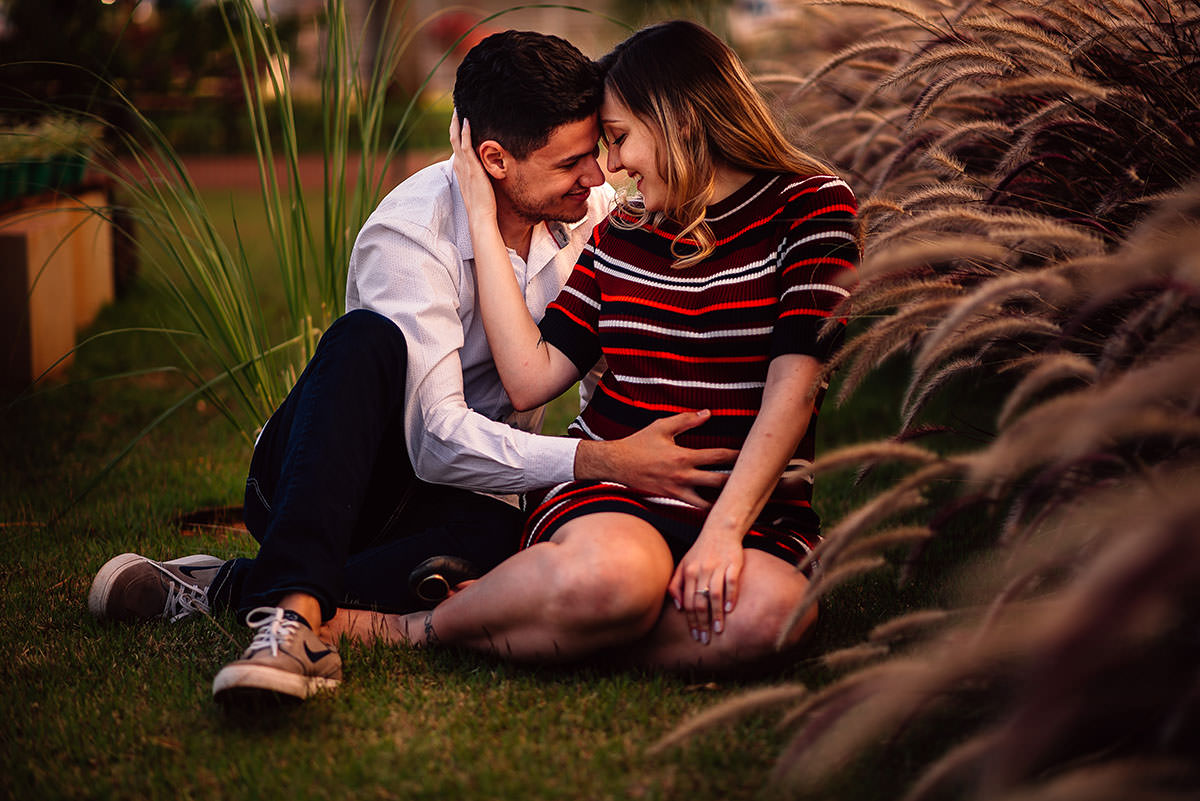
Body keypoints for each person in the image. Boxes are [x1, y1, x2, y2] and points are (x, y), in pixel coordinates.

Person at [87, 30, 738, 703]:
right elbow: (434, 440)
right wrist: (603, 463)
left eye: (596, 153)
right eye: (571, 163)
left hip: (470, 499)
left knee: (524, 544)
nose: (597, 178)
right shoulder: (411, 233)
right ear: (494, 159)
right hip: (338, 483)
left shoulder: (591, 217)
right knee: (364, 339)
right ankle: (286, 622)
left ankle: (234, 585)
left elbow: (614, 375)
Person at [326, 20, 859, 673]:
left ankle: (542, 613)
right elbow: (528, 377)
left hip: (753, 508)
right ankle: (416, 628)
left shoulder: (814, 207)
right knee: (615, 579)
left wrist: (722, 532)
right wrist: (480, 211)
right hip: (617, 497)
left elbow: (795, 386)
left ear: (678, 121)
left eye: (619, 139)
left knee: (772, 619)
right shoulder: (621, 231)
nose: (610, 168)